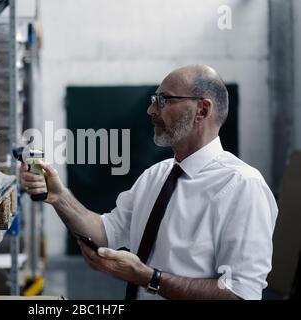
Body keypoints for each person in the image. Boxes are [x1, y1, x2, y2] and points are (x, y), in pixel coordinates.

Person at [20, 65, 278, 300]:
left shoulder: (243, 186)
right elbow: (105, 233)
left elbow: (240, 293)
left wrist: (147, 278)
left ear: (203, 109)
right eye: (154, 100)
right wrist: (58, 196)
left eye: (164, 100)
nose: (151, 110)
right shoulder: (156, 175)